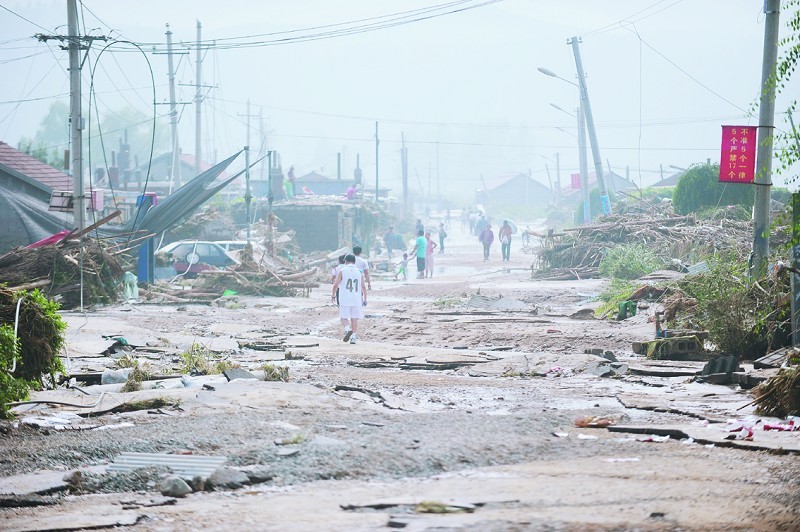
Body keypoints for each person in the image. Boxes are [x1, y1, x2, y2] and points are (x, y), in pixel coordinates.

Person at [331, 254, 366, 344]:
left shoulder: (342, 271)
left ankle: (347, 329)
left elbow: (335, 285)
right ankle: (353, 337)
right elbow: (363, 286)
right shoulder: (359, 271)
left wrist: (333, 295)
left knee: (343, 317)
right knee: (354, 318)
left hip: (345, 298)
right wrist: (365, 298)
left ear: (345, 261)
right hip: (356, 299)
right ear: (354, 262)